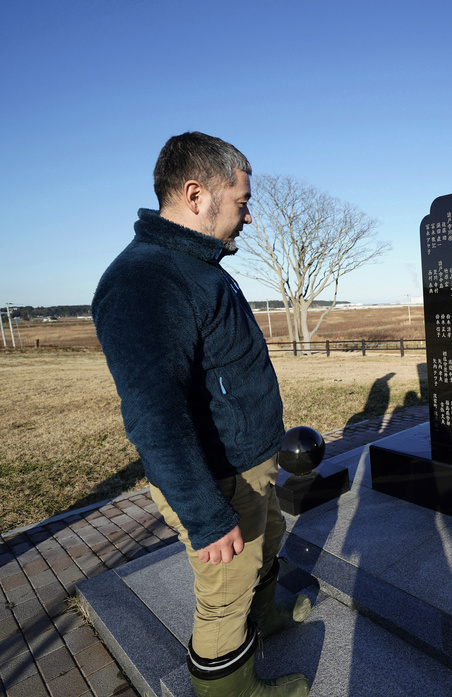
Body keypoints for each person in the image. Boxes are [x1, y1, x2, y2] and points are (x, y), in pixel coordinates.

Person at [93, 132, 310, 697]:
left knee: (266, 545)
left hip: (248, 464)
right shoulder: (146, 278)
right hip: (218, 479)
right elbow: (153, 415)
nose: (248, 216)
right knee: (225, 589)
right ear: (196, 194)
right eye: (241, 201)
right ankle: (229, 689)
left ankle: (264, 619)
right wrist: (207, 518)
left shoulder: (195, 265)